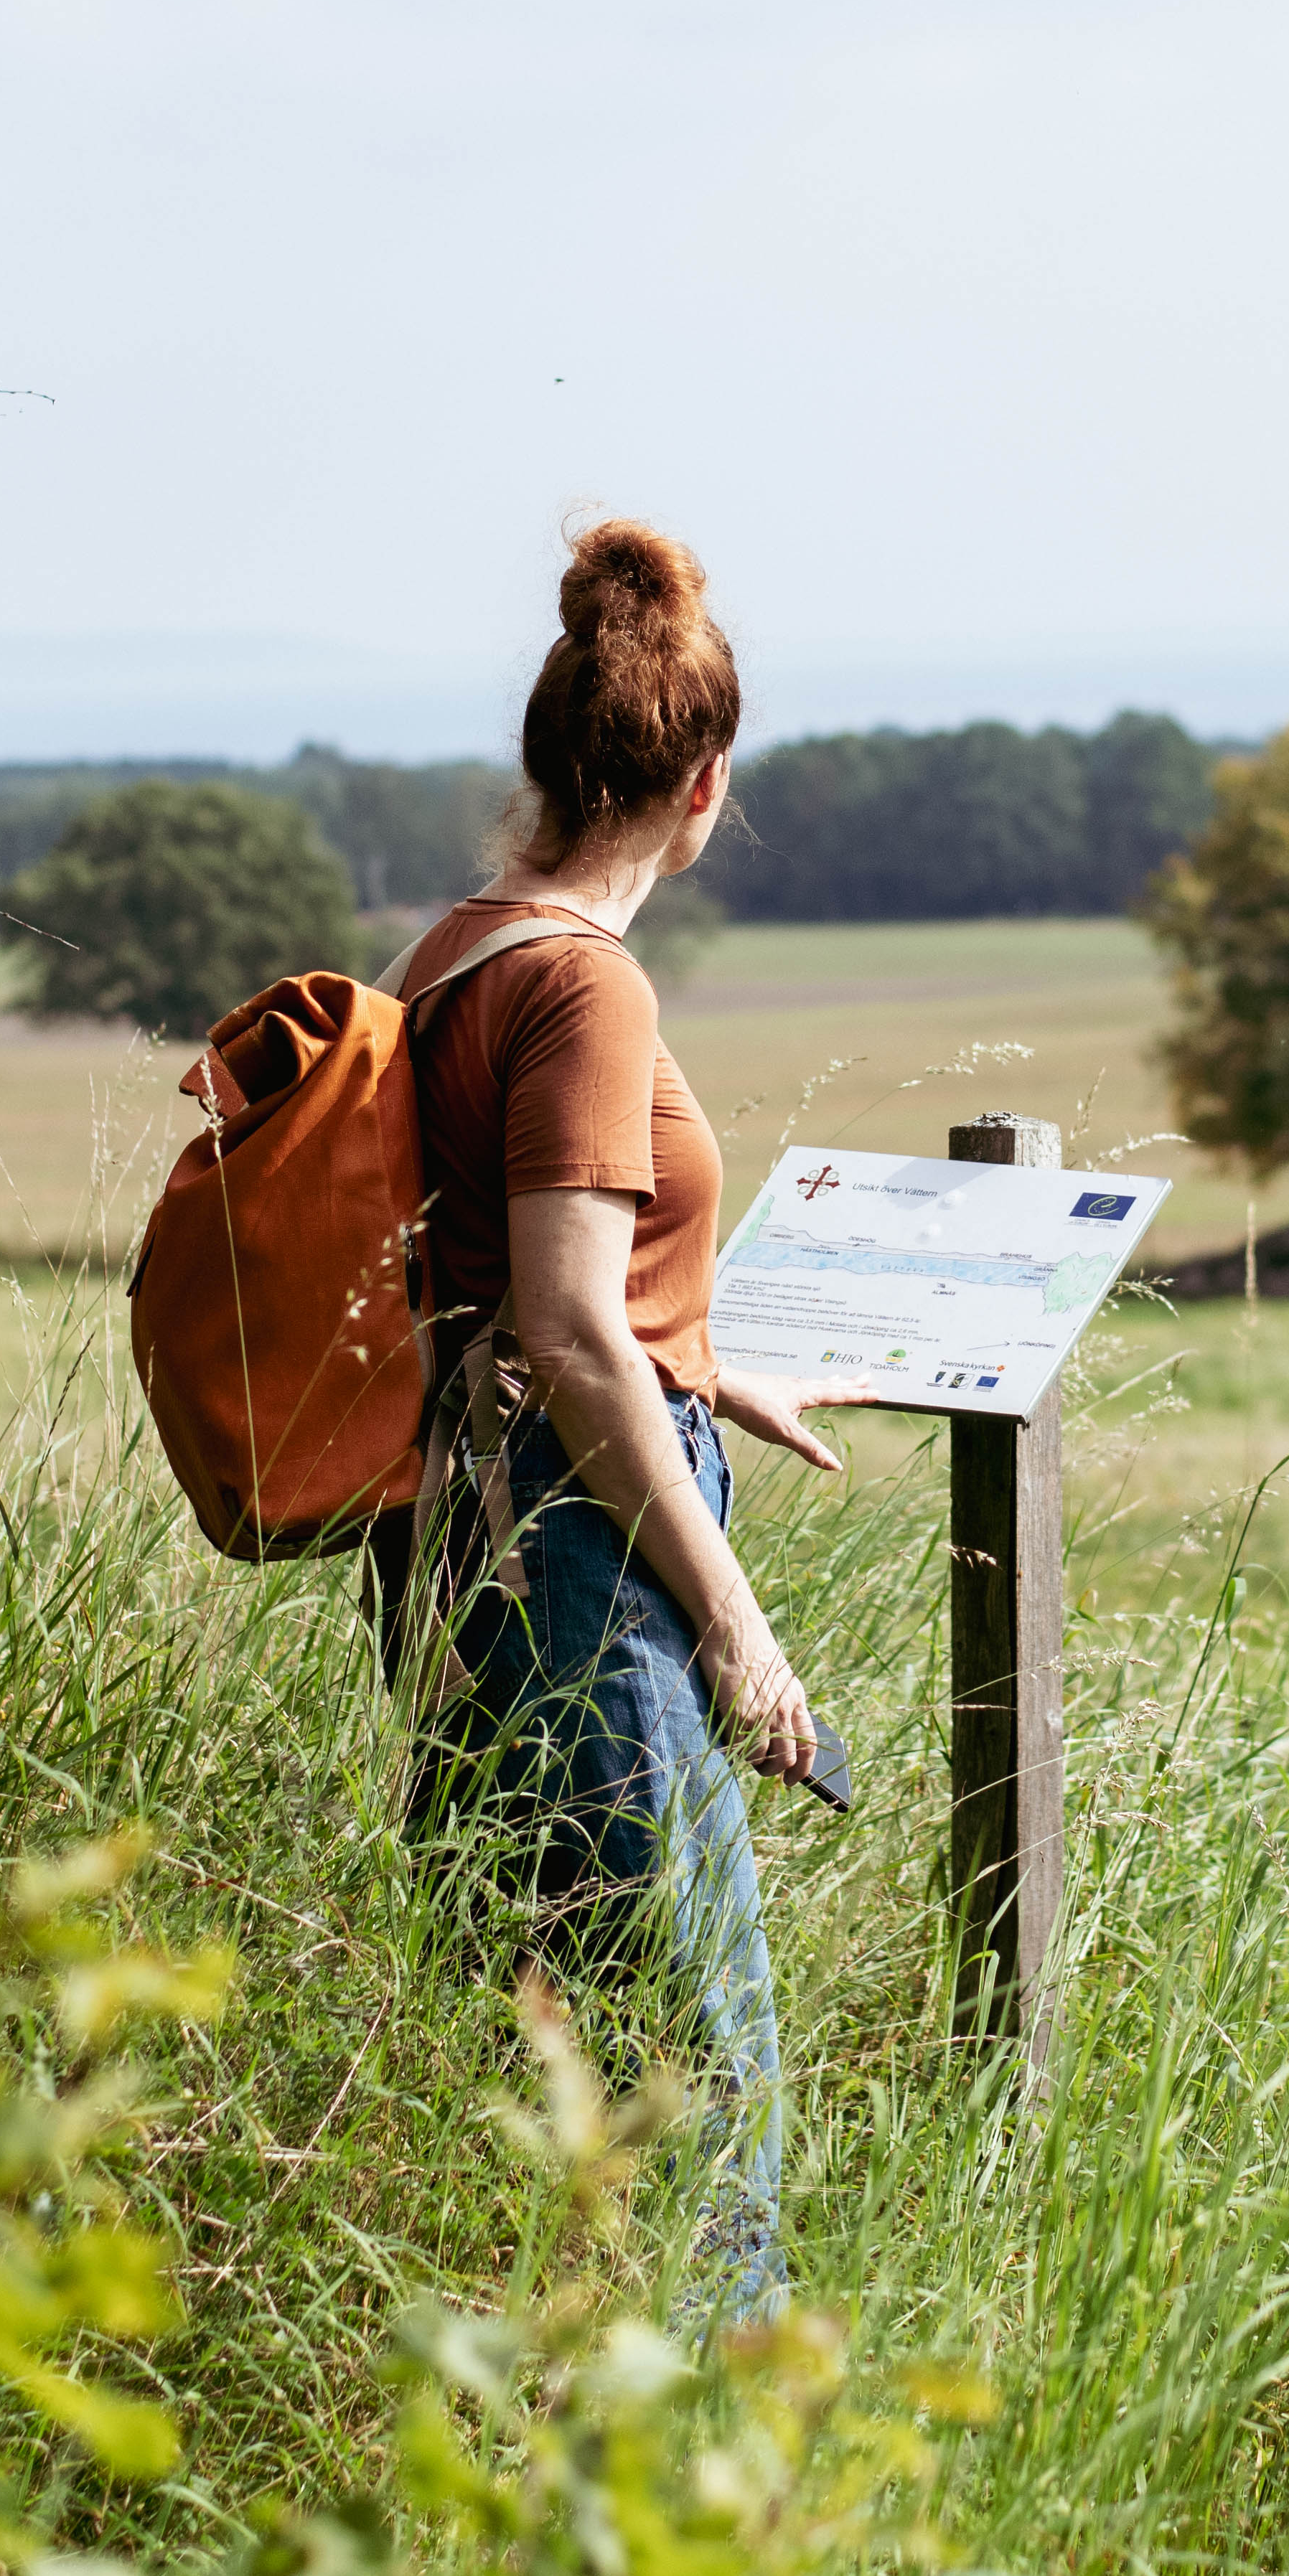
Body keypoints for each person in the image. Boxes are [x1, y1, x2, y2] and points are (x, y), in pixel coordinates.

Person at [370, 517, 851, 2328]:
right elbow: (568, 1333)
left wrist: (711, 1357)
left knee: (534, 2031)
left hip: (453, 1532)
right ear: (706, 783)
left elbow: (512, 1275)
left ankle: (526, 2419)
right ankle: (726, 2480)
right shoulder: (587, 982)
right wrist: (737, 1622)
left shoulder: (459, 948)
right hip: (576, 1551)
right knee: (702, 2049)